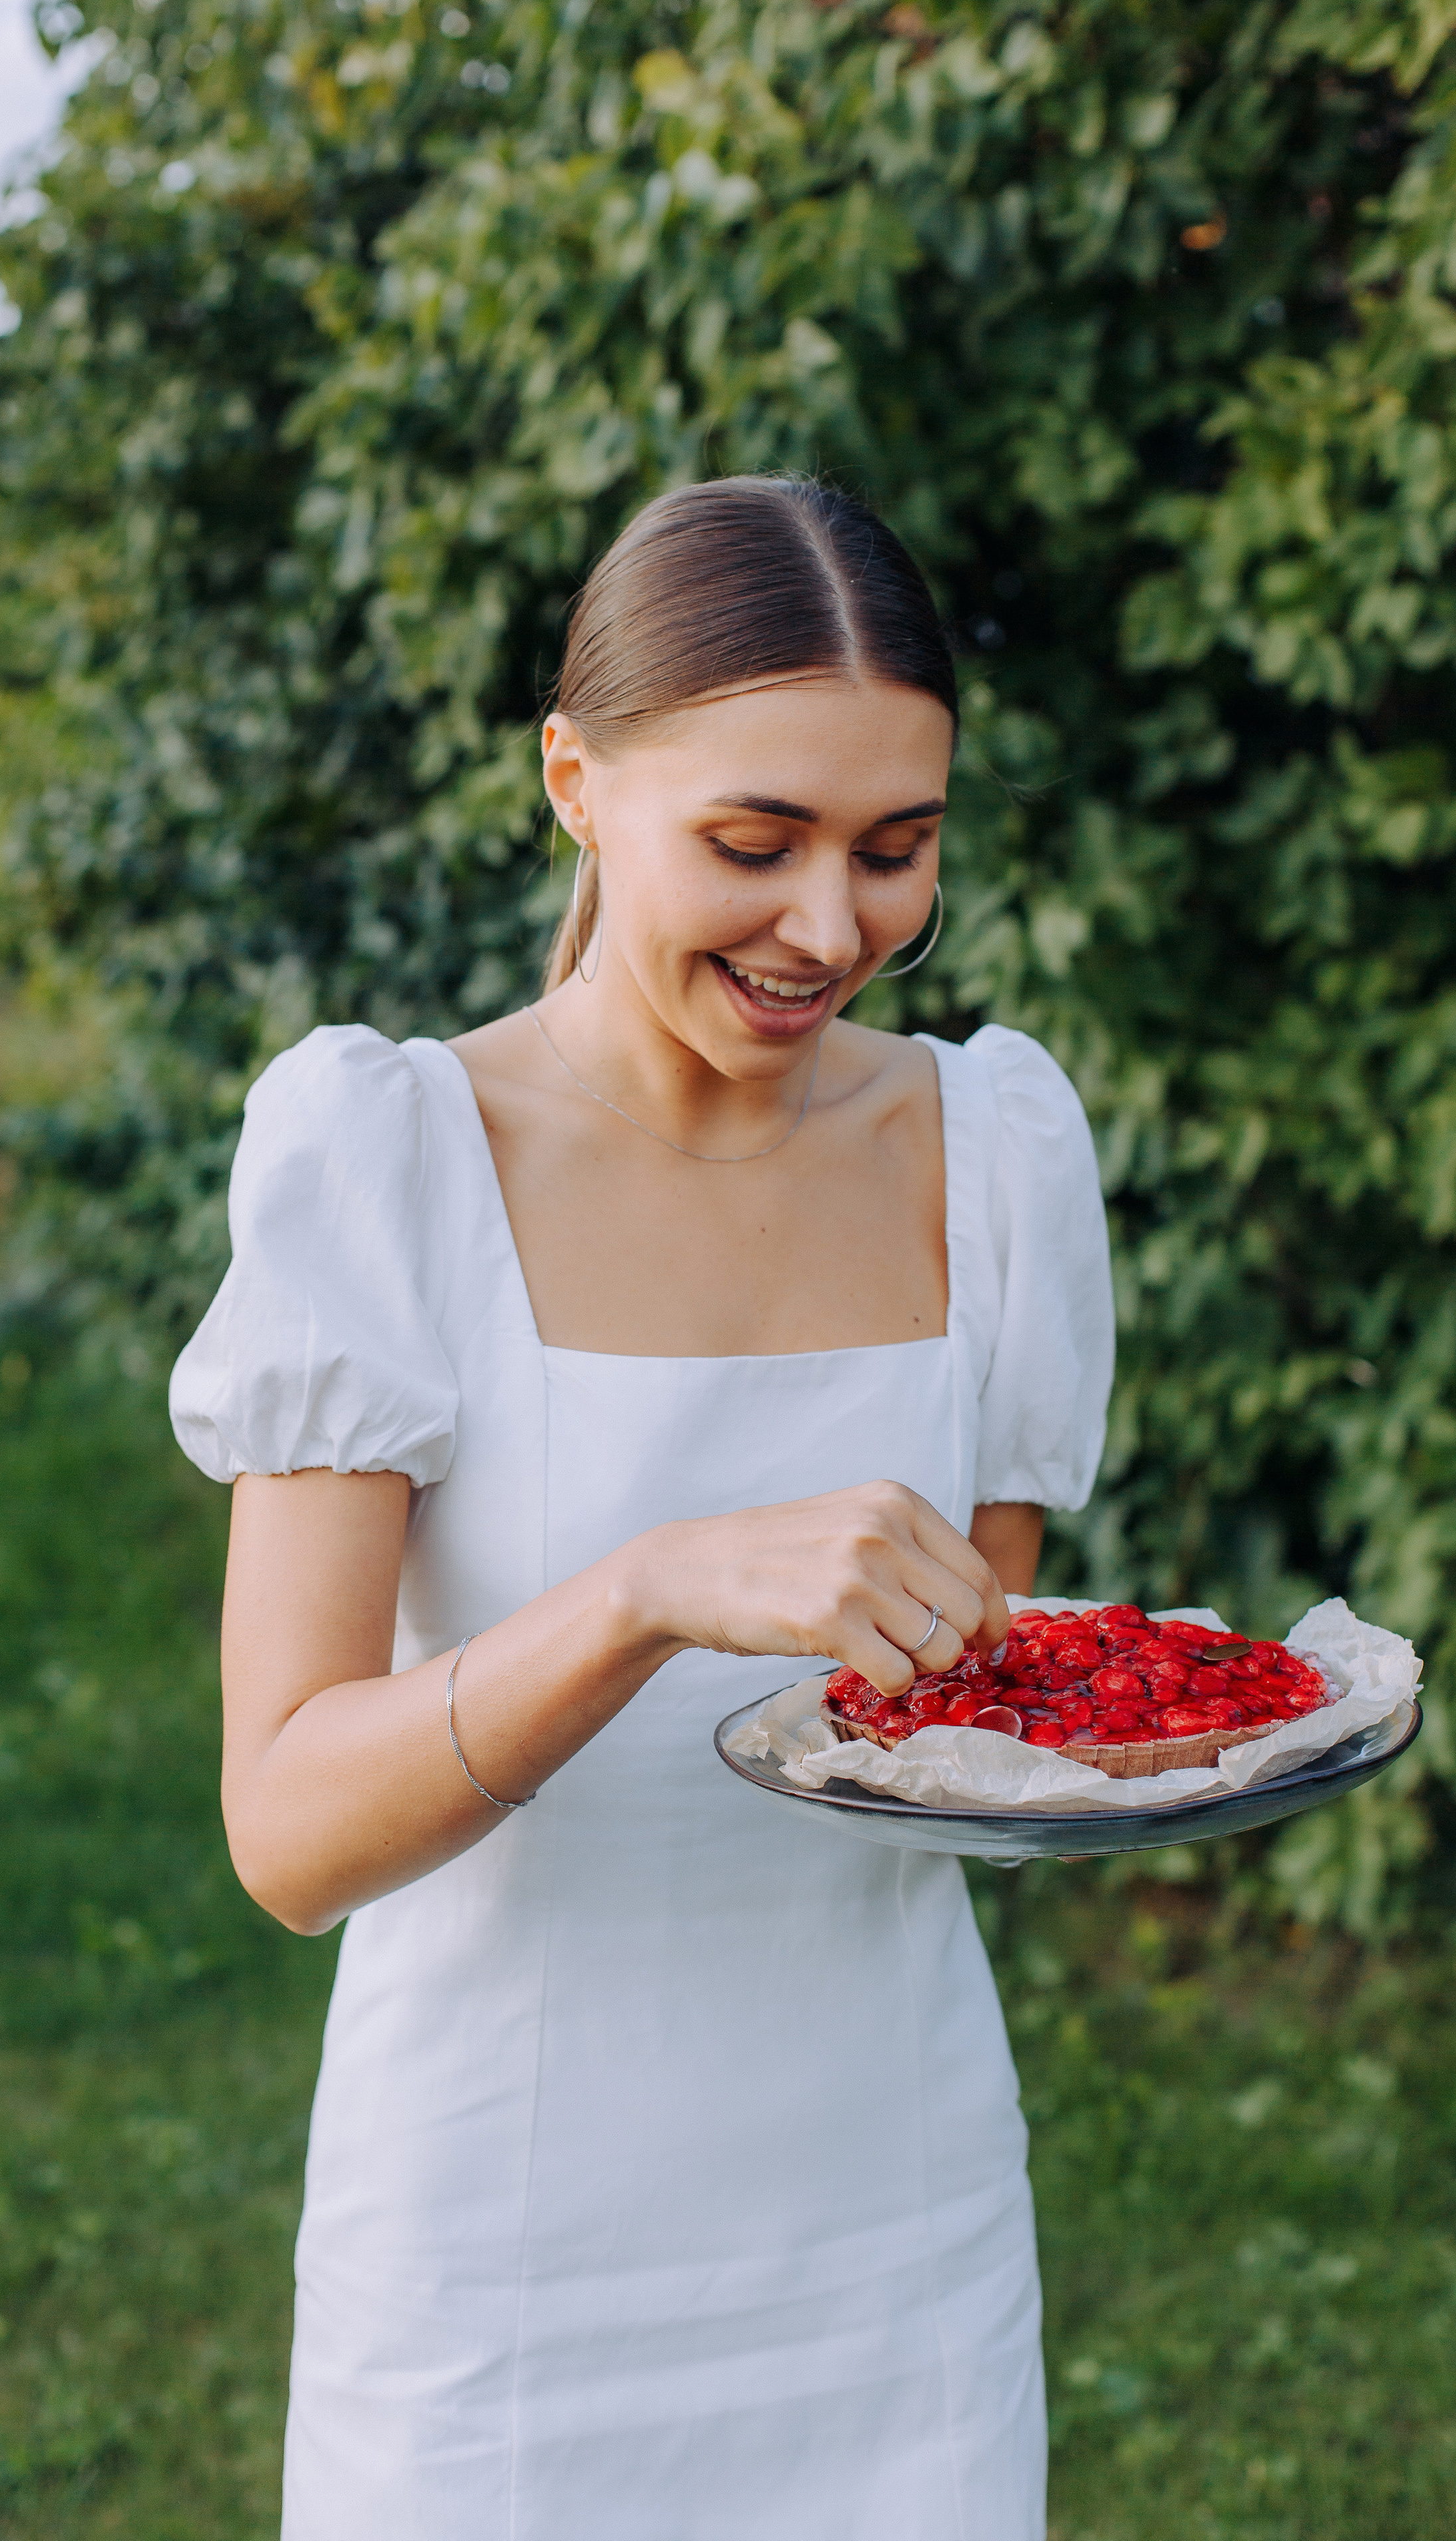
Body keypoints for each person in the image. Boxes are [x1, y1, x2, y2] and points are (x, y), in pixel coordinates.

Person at [169, 475, 1114, 2540]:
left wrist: (1154, 1719)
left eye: (898, 849)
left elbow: (965, 1728)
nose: (830, 930)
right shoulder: (390, 1156)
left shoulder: (998, 1150)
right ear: (576, 785)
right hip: (503, 2258)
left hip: (896, 2219)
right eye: (754, 844)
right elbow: (289, 1836)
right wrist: (646, 1595)